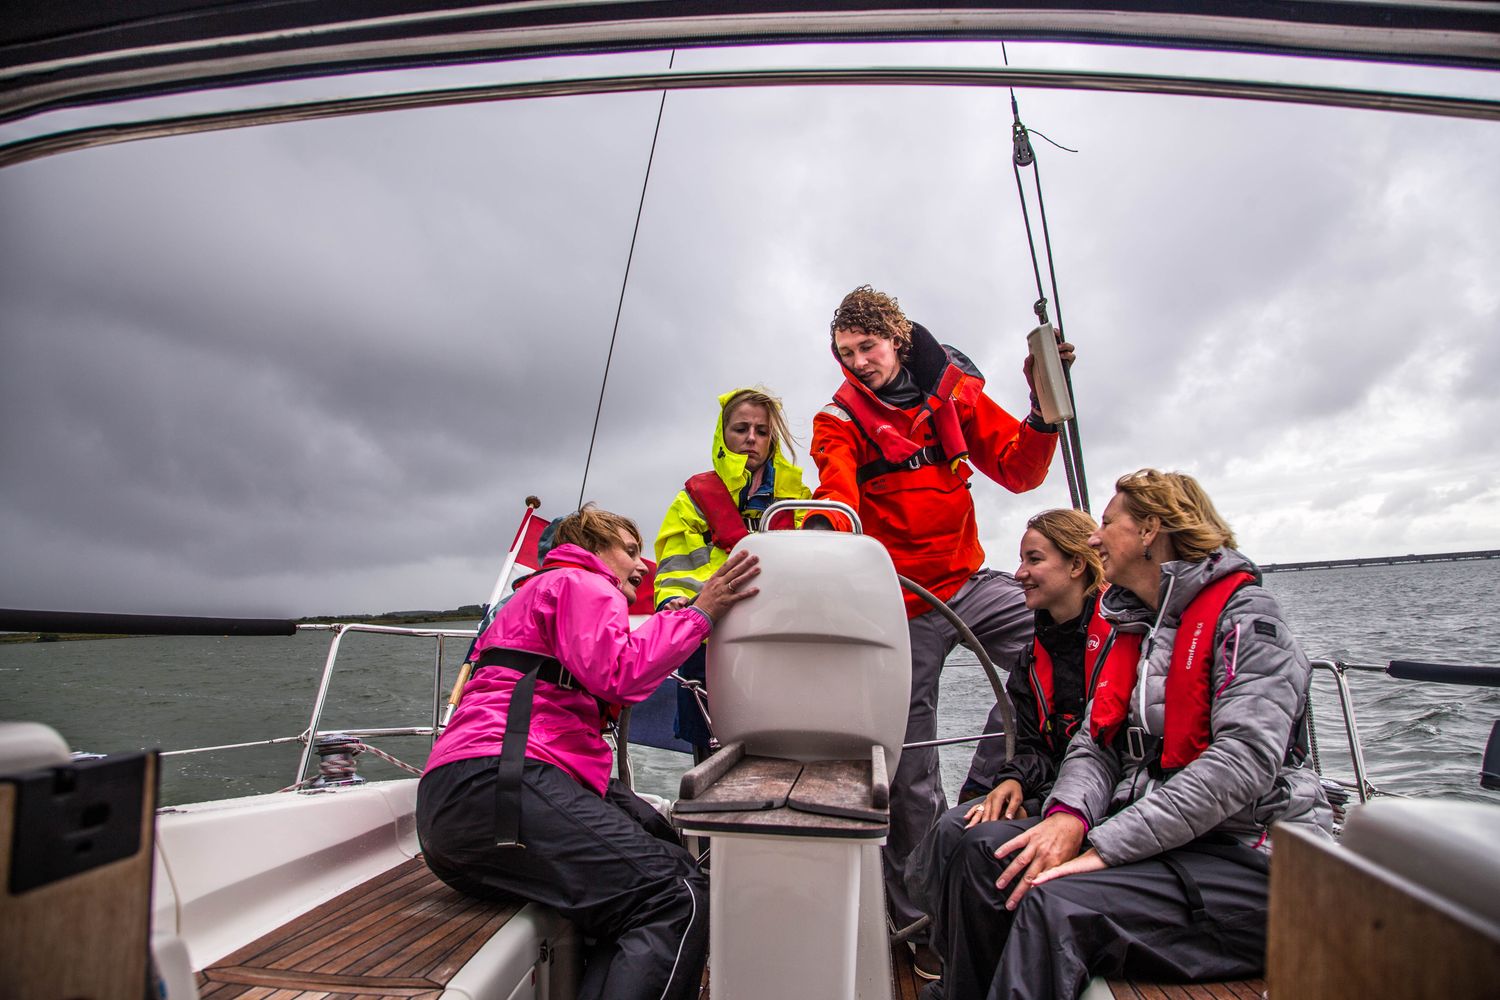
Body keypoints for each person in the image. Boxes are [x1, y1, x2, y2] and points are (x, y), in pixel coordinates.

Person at [929, 470, 1334, 1000]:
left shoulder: (1248, 620)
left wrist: (1103, 846)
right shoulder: (1137, 629)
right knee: (985, 856)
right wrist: (1068, 816)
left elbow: (1242, 764)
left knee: (1053, 901)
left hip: (1246, 854)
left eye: (1106, 523)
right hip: (1163, 840)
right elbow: (1096, 745)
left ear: (1149, 531)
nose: (1095, 538)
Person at [805, 284, 1071, 970]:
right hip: (899, 603)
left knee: (1061, 642)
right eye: (845, 353)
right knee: (910, 773)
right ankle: (925, 929)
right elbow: (836, 497)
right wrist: (822, 538)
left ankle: (999, 779)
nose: (858, 362)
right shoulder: (837, 420)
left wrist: (1043, 409)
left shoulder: (953, 392)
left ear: (897, 340)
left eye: (868, 347)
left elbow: (1019, 469)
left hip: (970, 585)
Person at [416, 504, 760, 1000]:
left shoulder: (534, 593)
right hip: (502, 784)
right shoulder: (581, 583)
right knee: (674, 896)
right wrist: (700, 613)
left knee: (662, 843)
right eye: (631, 551)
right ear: (593, 549)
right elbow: (621, 671)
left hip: (458, 807)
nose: (643, 565)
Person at [654, 387, 811, 761]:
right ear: (723, 434)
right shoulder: (692, 500)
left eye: (761, 430)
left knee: (782, 753)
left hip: (779, 642)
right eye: (741, 429)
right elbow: (675, 567)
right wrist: (674, 602)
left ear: (772, 439)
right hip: (710, 642)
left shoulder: (798, 498)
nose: (751, 439)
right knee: (709, 758)